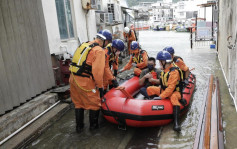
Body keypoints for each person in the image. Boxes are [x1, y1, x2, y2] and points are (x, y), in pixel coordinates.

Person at [69, 30, 109, 133]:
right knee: (94, 104)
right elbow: (97, 72)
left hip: (73, 79)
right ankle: (93, 130)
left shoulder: (85, 44)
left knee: (78, 103)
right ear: (104, 41)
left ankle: (79, 128)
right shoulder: (99, 50)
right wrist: (100, 87)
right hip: (85, 81)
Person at [146, 51, 183, 132]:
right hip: (164, 90)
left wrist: (160, 97)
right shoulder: (165, 70)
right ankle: (152, 106)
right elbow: (163, 82)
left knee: (173, 97)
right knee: (150, 89)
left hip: (174, 92)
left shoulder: (174, 72)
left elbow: (171, 88)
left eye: (160, 61)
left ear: (164, 62)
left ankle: (176, 123)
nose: (159, 63)